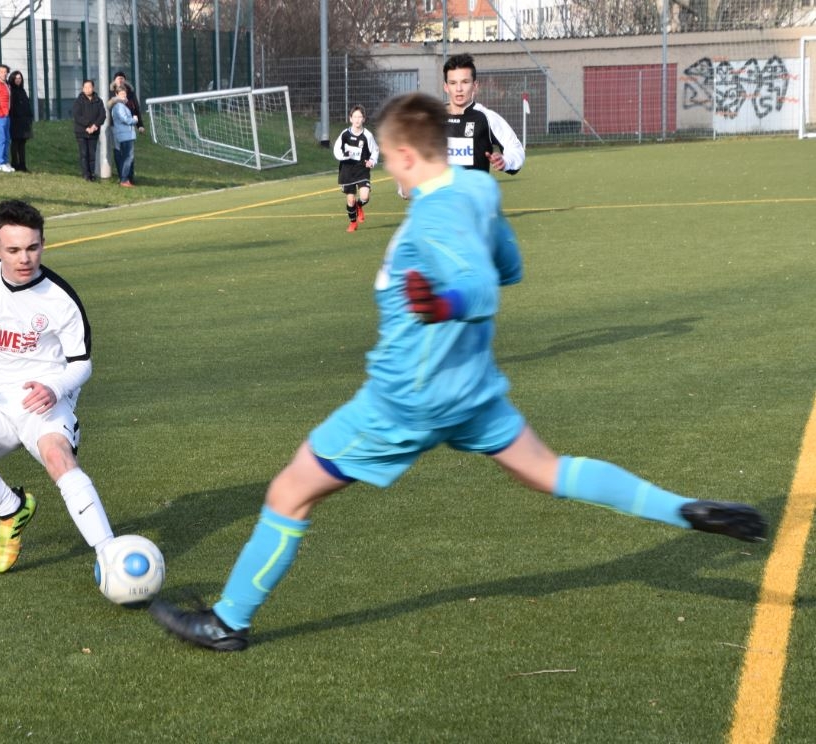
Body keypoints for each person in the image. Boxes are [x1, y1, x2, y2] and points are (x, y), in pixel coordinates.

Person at [149, 92, 766, 652]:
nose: (387, 170)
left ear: (406, 155)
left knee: (290, 492)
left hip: (406, 399)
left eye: (388, 158)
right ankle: (682, 509)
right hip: (473, 391)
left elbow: (481, 287)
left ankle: (228, 621)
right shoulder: (477, 189)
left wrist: (443, 303)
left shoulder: (432, 217)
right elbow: (509, 267)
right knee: (548, 470)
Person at [0, 199, 115, 575]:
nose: (24, 258)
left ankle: (109, 554)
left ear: (43, 244)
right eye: (13, 250)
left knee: (58, 458)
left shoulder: (61, 299)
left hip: (42, 403)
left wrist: (54, 388)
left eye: (32, 247)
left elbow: (82, 364)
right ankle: (11, 510)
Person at [443, 53, 525, 175]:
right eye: (453, 83)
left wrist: (506, 161)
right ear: (446, 87)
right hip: (440, 188)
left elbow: (515, 148)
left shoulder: (486, 117)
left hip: (475, 188)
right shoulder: (432, 118)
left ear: (475, 86)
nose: (459, 89)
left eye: (465, 82)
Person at [332, 105, 378, 233]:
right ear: (350, 118)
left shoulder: (367, 135)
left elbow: (375, 150)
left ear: (364, 119)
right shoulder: (344, 134)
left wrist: (372, 161)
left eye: (360, 117)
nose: (357, 119)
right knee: (350, 200)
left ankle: (359, 205)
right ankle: (353, 223)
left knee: (365, 196)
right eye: (355, 117)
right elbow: (336, 150)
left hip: (362, 169)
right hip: (347, 171)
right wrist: (344, 155)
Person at [107, 71, 144, 184]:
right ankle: (123, 177)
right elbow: (118, 113)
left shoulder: (130, 93)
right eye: (118, 78)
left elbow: (136, 109)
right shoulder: (112, 96)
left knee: (128, 155)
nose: (120, 80)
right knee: (122, 153)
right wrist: (133, 120)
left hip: (128, 130)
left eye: (122, 78)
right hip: (117, 128)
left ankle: (128, 177)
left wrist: (140, 125)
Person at [72, 79, 106, 181]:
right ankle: (85, 174)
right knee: (84, 154)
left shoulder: (98, 101)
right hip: (82, 131)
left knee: (92, 154)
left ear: (93, 88)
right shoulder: (79, 101)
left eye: (89, 87)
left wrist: (95, 126)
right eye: (85, 87)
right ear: (82, 88)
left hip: (94, 132)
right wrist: (87, 126)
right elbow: (77, 116)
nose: (87, 89)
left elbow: (102, 115)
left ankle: (92, 174)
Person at [110, 86, 138, 187]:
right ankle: (124, 179)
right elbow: (125, 119)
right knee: (128, 157)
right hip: (124, 135)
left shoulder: (122, 105)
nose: (124, 96)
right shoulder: (118, 106)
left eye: (125, 93)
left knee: (127, 157)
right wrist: (134, 120)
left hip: (126, 135)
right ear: (116, 95)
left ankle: (125, 179)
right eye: (121, 94)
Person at [8, 70, 34, 173]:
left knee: (22, 144)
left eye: (20, 78)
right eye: (16, 78)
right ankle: (15, 164)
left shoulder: (22, 91)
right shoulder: (11, 91)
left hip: (24, 122)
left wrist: (29, 117)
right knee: (15, 143)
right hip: (15, 121)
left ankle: (22, 165)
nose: (18, 80)